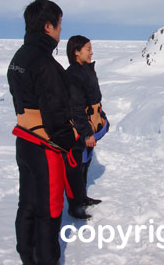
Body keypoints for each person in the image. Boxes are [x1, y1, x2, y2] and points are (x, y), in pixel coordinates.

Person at [7, 0, 85, 265]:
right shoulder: (46, 65)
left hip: (25, 143)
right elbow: (55, 117)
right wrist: (71, 144)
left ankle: (27, 257)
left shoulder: (19, 57)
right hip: (45, 148)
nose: (61, 29)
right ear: (48, 26)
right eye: (60, 23)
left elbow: (20, 100)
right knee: (49, 211)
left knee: (27, 204)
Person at [65, 35, 108, 217]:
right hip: (80, 128)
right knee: (75, 166)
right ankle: (74, 206)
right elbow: (75, 108)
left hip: (91, 121)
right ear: (76, 51)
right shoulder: (73, 74)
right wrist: (87, 133)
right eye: (88, 49)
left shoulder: (87, 69)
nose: (91, 52)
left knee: (85, 162)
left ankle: (82, 197)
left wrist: (101, 116)